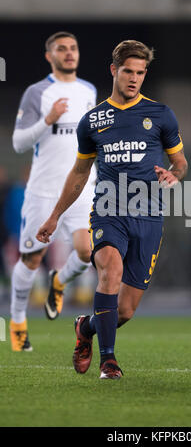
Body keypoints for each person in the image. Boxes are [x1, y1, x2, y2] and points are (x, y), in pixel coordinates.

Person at [36, 40, 188, 379]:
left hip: (148, 216)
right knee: (110, 271)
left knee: (125, 311)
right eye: (128, 71)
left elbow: (180, 163)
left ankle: (86, 328)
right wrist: (54, 215)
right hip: (108, 211)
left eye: (140, 72)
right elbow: (79, 173)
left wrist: (173, 174)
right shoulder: (93, 121)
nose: (134, 78)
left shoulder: (161, 115)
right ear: (114, 70)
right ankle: (109, 361)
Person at [10, 31, 97, 351]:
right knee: (32, 258)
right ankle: (18, 319)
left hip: (82, 186)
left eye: (73, 47)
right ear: (50, 56)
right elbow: (19, 143)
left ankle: (59, 281)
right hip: (44, 191)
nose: (69, 53)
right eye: (62, 49)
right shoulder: (38, 93)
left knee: (87, 251)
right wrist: (48, 119)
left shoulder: (88, 90)